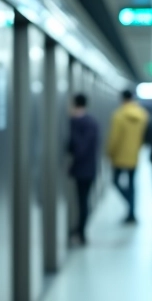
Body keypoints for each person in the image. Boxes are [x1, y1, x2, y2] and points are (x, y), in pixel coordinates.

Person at [106, 89, 149, 224]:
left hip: (119, 156)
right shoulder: (143, 115)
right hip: (134, 155)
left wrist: (109, 153)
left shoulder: (118, 115)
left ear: (122, 99)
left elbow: (114, 138)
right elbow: (144, 136)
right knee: (132, 184)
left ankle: (129, 204)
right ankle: (131, 211)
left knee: (115, 182)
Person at [67, 93, 98, 245]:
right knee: (83, 201)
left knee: (83, 201)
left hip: (83, 169)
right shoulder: (92, 122)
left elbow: (79, 148)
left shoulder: (78, 123)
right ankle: (79, 230)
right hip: (89, 169)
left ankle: (81, 232)